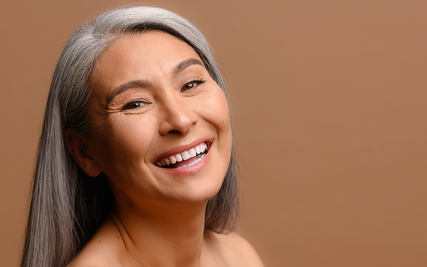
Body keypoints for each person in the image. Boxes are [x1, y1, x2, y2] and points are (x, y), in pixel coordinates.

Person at [20, 6, 263, 267]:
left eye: (191, 83)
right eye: (135, 103)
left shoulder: (238, 256)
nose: (180, 120)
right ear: (86, 152)